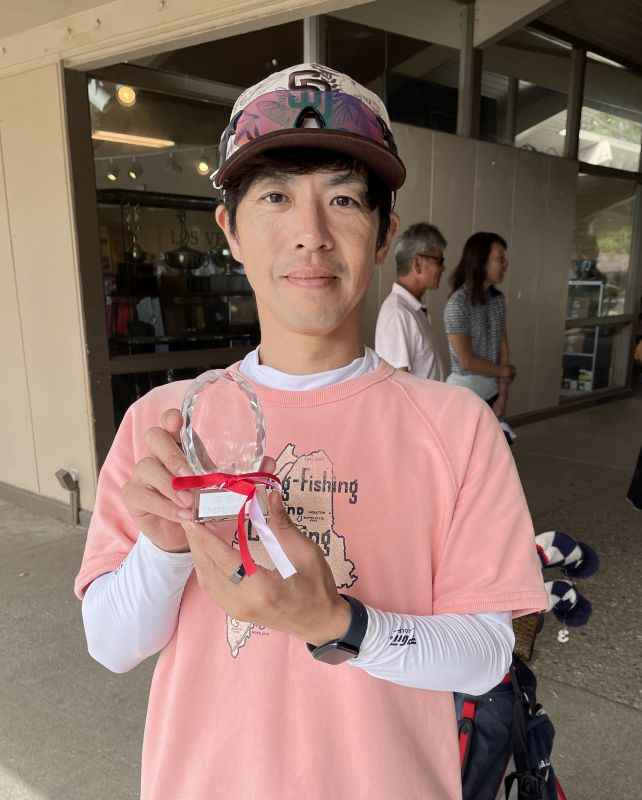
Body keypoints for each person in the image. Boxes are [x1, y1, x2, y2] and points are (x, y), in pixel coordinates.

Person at [75, 63, 547, 800]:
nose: (311, 234)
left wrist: (337, 622)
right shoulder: (165, 422)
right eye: (275, 196)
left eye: (343, 199)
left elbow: (486, 653)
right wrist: (164, 545)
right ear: (230, 230)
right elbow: (111, 645)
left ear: (384, 234)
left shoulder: (458, 427)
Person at [443, 232, 516, 419]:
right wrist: (504, 371)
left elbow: (503, 348)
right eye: (500, 257)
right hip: (464, 395)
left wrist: (503, 394)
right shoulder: (457, 304)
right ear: (481, 261)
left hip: (493, 392)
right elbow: (466, 362)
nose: (506, 264)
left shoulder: (498, 300)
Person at [375, 222, 447, 379]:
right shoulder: (397, 313)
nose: (443, 268)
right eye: (439, 260)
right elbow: (395, 384)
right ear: (417, 263)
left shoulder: (410, 309)